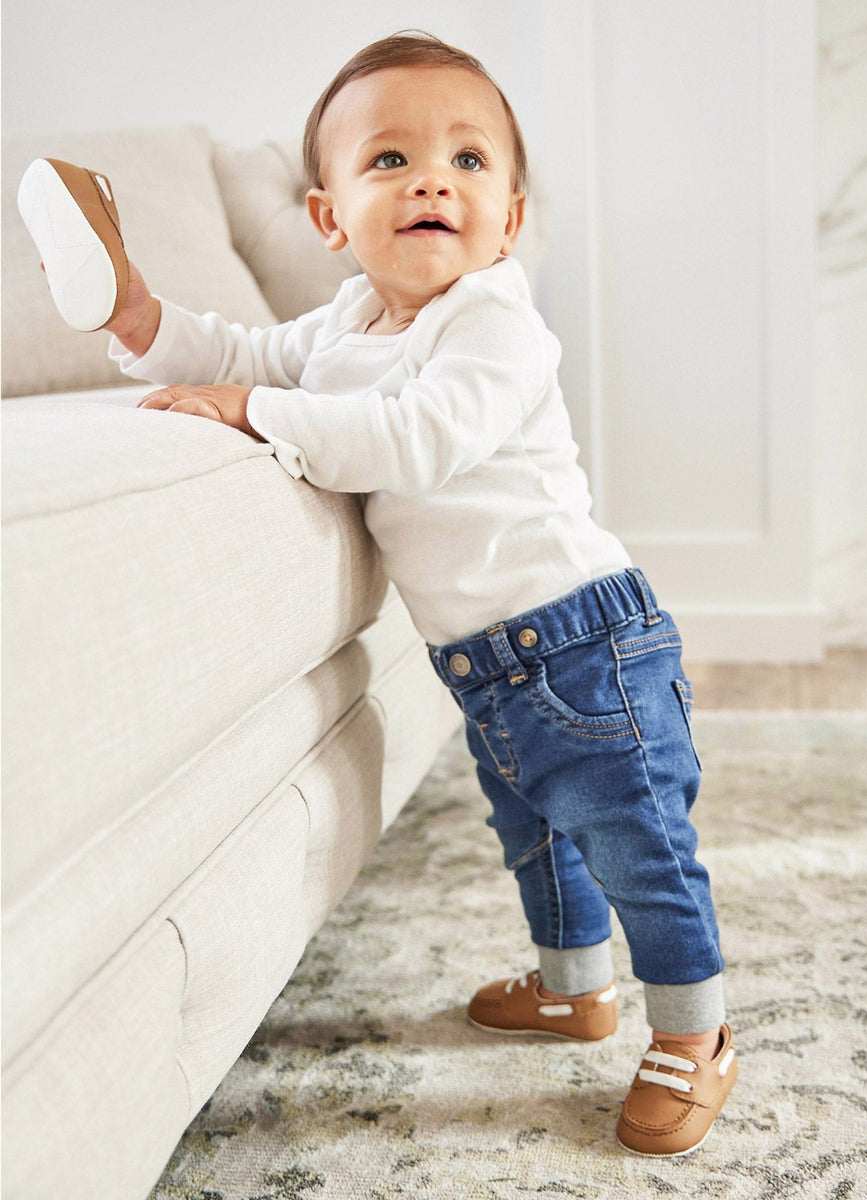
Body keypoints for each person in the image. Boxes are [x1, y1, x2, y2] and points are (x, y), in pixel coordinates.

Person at [21, 31, 737, 1157]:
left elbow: (416, 439)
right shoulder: (348, 324)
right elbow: (247, 352)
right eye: (391, 160)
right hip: (488, 664)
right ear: (330, 217)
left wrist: (253, 412)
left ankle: (697, 1036)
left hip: (587, 643)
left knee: (635, 843)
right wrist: (146, 324)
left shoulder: (494, 321)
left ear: (509, 217)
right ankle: (573, 990)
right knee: (537, 836)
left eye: (467, 160)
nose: (432, 182)